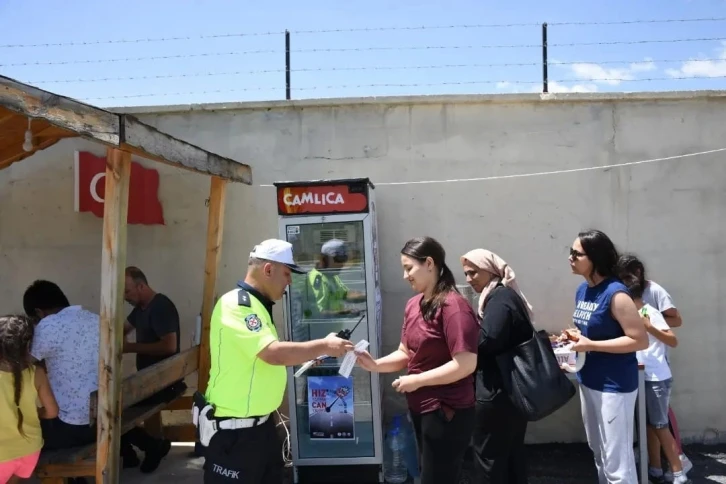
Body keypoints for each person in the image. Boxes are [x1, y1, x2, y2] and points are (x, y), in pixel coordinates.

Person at [200, 239, 354, 484]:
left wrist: (308, 356)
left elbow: (263, 360)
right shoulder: (237, 305)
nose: (290, 282)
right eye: (286, 273)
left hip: (260, 429)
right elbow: (272, 353)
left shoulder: (258, 306)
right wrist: (324, 345)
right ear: (268, 270)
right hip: (234, 435)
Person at [356, 236, 478, 484]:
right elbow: (405, 352)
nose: (405, 276)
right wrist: (375, 365)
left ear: (430, 263)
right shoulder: (414, 304)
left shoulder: (454, 307)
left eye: (409, 267)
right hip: (422, 408)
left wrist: (417, 381)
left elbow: (465, 364)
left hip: (447, 410)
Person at [567, 230, 648, 483]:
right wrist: (574, 336)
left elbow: (638, 339)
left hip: (614, 386)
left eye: (576, 254)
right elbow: (591, 330)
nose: (570, 258)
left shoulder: (616, 293)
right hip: (588, 379)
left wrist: (591, 343)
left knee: (617, 462)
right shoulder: (583, 290)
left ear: (594, 258)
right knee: (599, 452)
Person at [460, 248, 535, 484]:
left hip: (497, 394)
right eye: (466, 274)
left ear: (490, 270)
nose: (469, 279)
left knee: (489, 459)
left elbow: (488, 340)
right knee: (510, 456)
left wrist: (461, 337)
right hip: (509, 393)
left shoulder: (500, 299)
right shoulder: (500, 297)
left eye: (474, 273)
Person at [617, 254, 692, 478]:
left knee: (660, 425)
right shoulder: (633, 316)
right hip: (641, 374)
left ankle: (679, 472)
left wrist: (649, 326)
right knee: (648, 426)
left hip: (657, 377)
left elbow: (673, 339)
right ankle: (655, 468)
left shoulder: (651, 312)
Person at [23, 280, 100, 484]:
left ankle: (69, 475)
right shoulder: (96, 319)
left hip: (72, 429)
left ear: (39, 312)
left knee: (22, 432)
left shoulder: (49, 325)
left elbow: (21, 363)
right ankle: (75, 478)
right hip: (102, 421)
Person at [121, 266, 184, 473]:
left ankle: (151, 447)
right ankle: (133, 452)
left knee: (114, 410)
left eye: (127, 292)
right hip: (150, 380)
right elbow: (123, 329)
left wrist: (129, 348)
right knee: (111, 405)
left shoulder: (160, 307)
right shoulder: (140, 309)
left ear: (141, 286)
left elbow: (169, 346)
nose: (125, 297)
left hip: (164, 382)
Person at [0, 314, 59, 484]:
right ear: (28, 346)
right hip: (29, 451)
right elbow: (52, 412)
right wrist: (36, 413)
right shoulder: (37, 373)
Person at [305, 239, 366, 319]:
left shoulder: (331, 275)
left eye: (344, 259)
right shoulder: (317, 279)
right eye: (338, 259)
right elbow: (318, 313)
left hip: (334, 329)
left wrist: (367, 296)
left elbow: (345, 295)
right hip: (322, 330)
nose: (342, 264)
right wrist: (346, 312)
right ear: (325, 259)